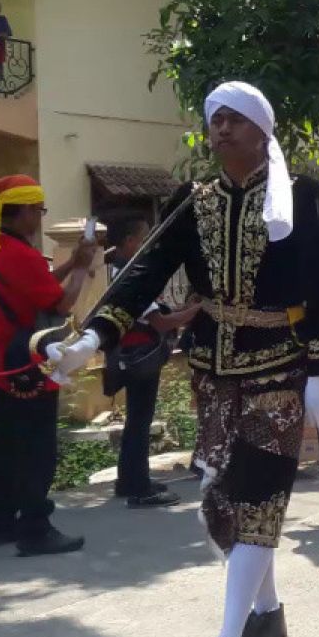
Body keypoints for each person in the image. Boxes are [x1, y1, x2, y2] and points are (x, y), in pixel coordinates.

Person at [47, 82, 319, 637]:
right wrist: (92, 337)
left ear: (263, 131)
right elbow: (146, 270)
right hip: (211, 366)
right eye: (215, 119)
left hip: (279, 364)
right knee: (217, 500)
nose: (222, 128)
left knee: (260, 496)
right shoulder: (194, 197)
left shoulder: (302, 196)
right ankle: (268, 614)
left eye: (235, 119)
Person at [0, 174, 95, 555]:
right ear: (24, 210)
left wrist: (68, 263)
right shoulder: (20, 254)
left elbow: (35, 286)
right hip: (24, 368)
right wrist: (81, 268)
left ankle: (0, 524)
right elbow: (60, 303)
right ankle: (36, 528)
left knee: (5, 448)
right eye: (39, 210)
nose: (41, 217)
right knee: (37, 449)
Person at [102, 214, 200, 508]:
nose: (149, 245)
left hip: (130, 355)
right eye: (145, 238)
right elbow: (159, 322)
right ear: (130, 242)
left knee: (137, 420)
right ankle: (139, 487)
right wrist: (196, 310)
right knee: (139, 422)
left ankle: (130, 479)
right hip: (139, 356)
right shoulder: (132, 276)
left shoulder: (117, 269)